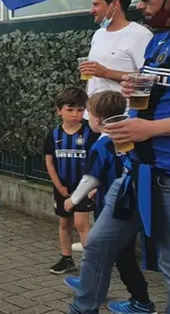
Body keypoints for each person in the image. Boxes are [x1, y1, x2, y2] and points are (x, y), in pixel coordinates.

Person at [73, 0, 170, 314]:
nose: (139, 5)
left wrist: (151, 128)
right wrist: (130, 86)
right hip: (135, 172)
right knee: (98, 246)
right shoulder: (160, 40)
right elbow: (154, 92)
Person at [61, 91, 157, 314]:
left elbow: (90, 177)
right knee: (115, 253)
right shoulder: (127, 138)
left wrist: (72, 200)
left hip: (116, 207)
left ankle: (141, 301)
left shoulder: (101, 145)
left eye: (88, 112)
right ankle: (94, 286)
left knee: (112, 253)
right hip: (130, 201)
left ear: (97, 119)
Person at [43, 86, 98, 275]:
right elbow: (49, 162)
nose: (75, 114)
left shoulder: (91, 133)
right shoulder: (54, 135)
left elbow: (98, 161)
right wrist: (59, 186)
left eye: (80, 110)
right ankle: (66, 259)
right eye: (70, 109)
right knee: (64, 224)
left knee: (81, 224)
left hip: (84, 188)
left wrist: (94, 186)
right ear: (59, 110)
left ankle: (90, 264)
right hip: (63, 188)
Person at [79, 0, 153, 117]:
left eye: (96, 4)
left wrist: (106, 73)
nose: (92, 10)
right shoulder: (98, 34)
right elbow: (93, 80)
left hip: (122, 116)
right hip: (91, 116)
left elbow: (147, 78)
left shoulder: (141, 35)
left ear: (115, 4)